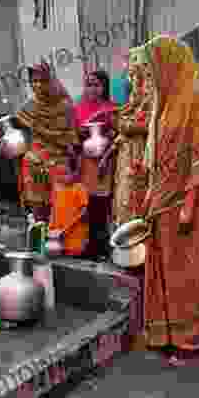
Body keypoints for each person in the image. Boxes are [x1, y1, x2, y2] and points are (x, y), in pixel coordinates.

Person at [130, 35, 199, 355]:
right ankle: (164, 334)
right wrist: (146, 190)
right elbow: (157, 151)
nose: (150, 75)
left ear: (169, 65)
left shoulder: (197, 100)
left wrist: (188, 206)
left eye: (153, 67)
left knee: (186, 271)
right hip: (160, 200)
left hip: (186, 202)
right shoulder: (163, 100)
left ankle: (190, 337)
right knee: (160, 268)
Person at [0, 61, 79, 222]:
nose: (37, 86)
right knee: (39, 216)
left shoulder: (65, 106)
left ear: (51, 80)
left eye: (42, 81)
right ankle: (41, 244)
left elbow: (72, 140)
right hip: (34, 164)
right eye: (33, 82)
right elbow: (13, 123)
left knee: (62, 213)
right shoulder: (30, 106)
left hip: (59, 166)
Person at [74, 70, 118, 258]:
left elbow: (118, 135)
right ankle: (89, 246)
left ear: (104, 87)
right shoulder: (78, 109)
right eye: (89, 84)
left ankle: (103, 247)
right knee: (87, 205)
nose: (92, 89)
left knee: (102, 206)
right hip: (85, 162)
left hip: (105, 162)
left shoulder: (112, 108)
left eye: (96, 85)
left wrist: (107, 144)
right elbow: (73, 136)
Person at [107, 60, 153, 226]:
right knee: (124, 195)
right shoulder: (133, 104)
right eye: (131, 76)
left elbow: (150, 125)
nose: (132, 80)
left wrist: (124, 126)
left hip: (140, 153)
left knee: (134, 194)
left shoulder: (150, 101)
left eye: (135, 75)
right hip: (127, 154)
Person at [48, 154, 89, 256]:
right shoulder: (57, 188)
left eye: (65, 173)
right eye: (59, 174)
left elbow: (84, 213)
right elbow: (53, 209)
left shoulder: (80, 189)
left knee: (72, 256)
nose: (61, 177)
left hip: (74, 235)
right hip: (58, 235)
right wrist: (51, 227)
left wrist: (67, 228)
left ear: (75, 173)